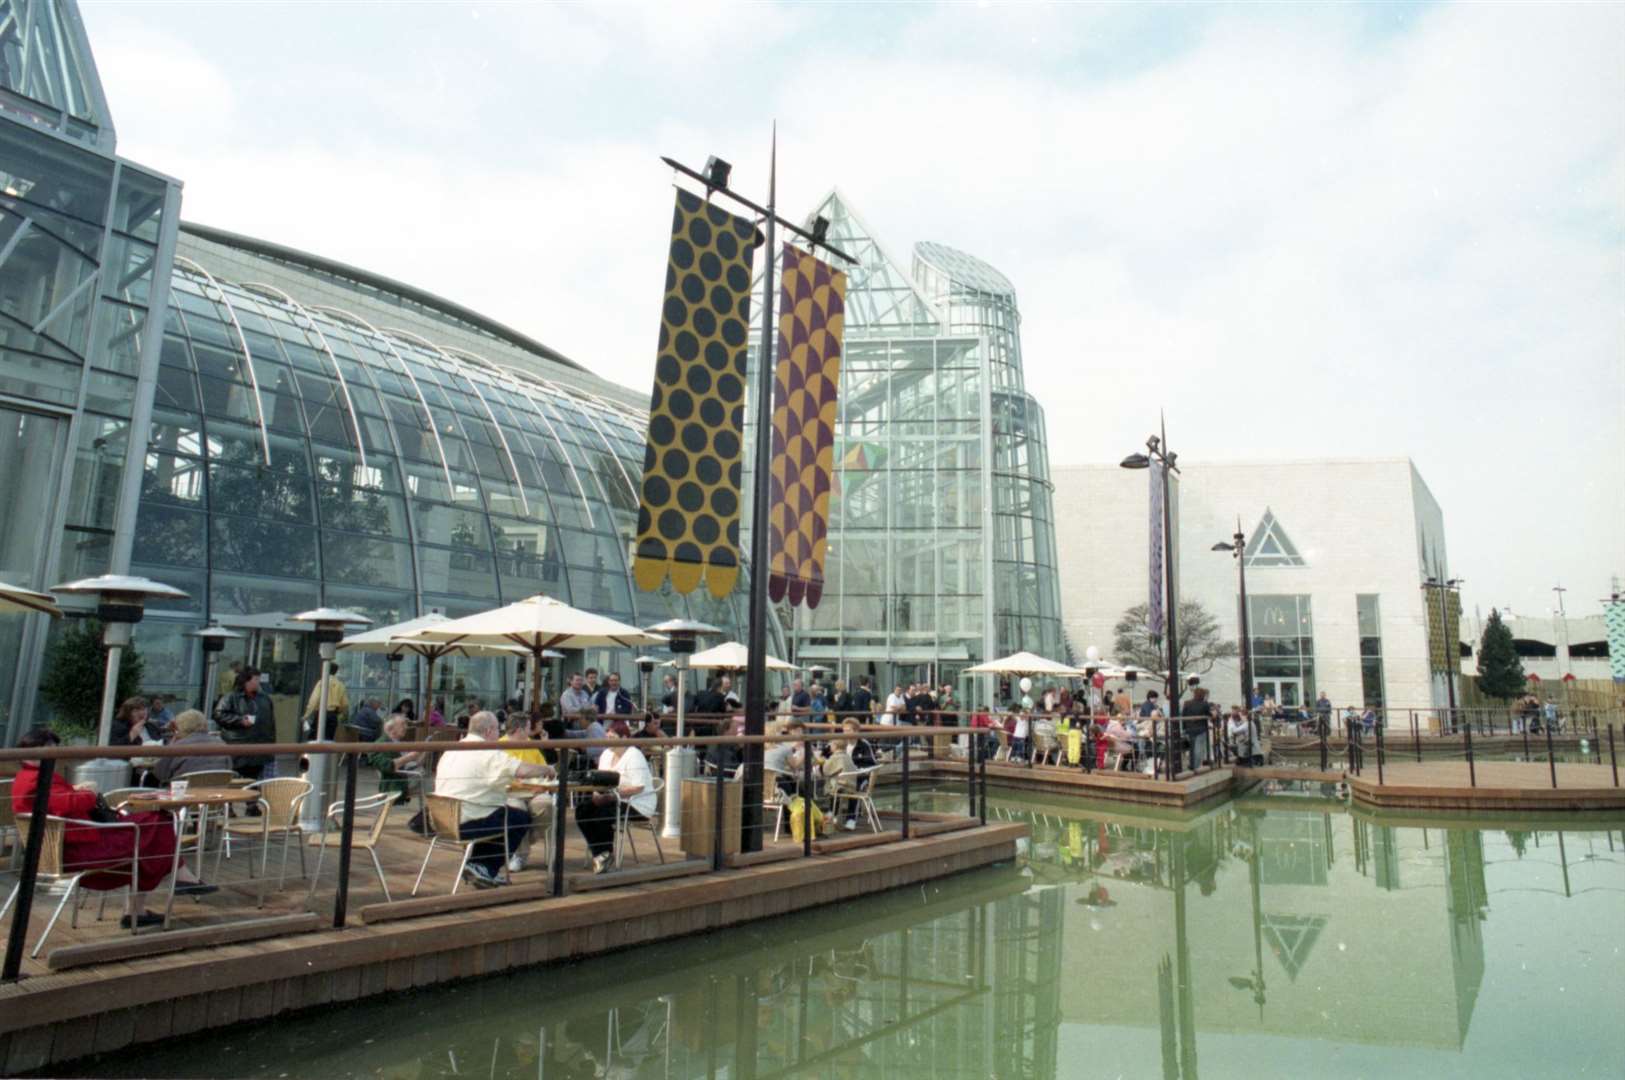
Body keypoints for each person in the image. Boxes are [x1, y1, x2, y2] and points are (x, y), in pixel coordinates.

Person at [11, 727, 215, 929]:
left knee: (154, 828)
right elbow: (67, 804)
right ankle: (161, 891)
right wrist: (89, 793)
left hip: (61, 848)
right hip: (79, 851)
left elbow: (56, 803)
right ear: (31, 751)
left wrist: (74, 790)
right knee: (157, 826)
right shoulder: (38, 779)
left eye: (54, 749)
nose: (53, 754)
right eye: (49, 749)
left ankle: (153, 898)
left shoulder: (25, 778)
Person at [433, 711, 552, 887]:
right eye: (498, 729)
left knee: (503, 814)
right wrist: (548, 769)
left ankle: (480, 866)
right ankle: (484, 866)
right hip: (467, 821)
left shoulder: (452, 749)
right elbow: (522, 770)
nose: (500, 734)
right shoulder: (487, 753)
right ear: (489, 731)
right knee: (518, 818)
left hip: (441, 819)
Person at [574, 719, 656, 874]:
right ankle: (601, 853)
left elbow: (639, 787)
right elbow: (600, 781)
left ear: (624, 738)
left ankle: (605, 853)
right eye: (608, 737)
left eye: (612, 738)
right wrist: (596, 795)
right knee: (582, 811)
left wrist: (612, 796)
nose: (608, 741)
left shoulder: (634, 755)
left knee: (603, 813)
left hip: (636, 803)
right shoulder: (606, 754)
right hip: (612, 799)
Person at [499, 713, 556, 872]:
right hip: (510, 793)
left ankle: (523, 839)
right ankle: (520, 854)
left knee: (546, 804)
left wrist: (543, 785)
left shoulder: (531, 745)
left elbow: (545, 772)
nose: (531, 731)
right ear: (519, 730)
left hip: (535, 792)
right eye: (528, 727)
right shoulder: (499, 746)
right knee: (518, 812)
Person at [214, 666, 277, 781]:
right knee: (235, 781)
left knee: (254, 783)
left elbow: (271, 724)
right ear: (246, 681)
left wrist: (271, 746)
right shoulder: (231, 697)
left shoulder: (264, 699)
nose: (258, 682)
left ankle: (252, 798)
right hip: (238, 748)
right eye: (256, 679)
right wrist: (239, 720)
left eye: (259, 679)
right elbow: (219, 715)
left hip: (260, 749)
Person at [153, 709, 234, 784]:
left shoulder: (178, 746)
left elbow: (160, 774)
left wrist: (171, 744)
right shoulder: (221, 744)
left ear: (181, 727)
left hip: (184, 795)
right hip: (218, 793)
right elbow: (228, 769)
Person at [368, 714, 423, 798]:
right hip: (397, 783)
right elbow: (387, 766)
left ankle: (426, 810)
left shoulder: (398, 743)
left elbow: (416, 763)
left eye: (406, 724)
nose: (406, 727)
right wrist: (409, 757)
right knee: (435, 785)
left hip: (412, 776)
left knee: (437, 782)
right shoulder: (380, 744)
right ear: (390, 728)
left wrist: (424, 752)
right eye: (402, 724)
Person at [302, 662, 349, 742]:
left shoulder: (321, 683)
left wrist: (306, 715)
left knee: (315, 738)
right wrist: (339, 713)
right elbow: (345, 704)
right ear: (336, 671)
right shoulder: (340, 685)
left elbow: (314, 700)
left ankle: (314, 753)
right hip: (333, 715)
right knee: (329, 739)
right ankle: (326, 754)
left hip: (321, 714)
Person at [1180, 687, 1216, 774]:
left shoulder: (1187, 703)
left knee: (1192, 748)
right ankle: (1196, 767)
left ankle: (1192, 765)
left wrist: (1184, 728)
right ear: (1203, 695)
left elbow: (1183, 716)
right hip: (1201, 729)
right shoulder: (1204, 704)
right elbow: (1209, 714)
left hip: (1189, 728)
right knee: (1199, 749)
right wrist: (1213, 715)